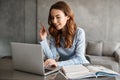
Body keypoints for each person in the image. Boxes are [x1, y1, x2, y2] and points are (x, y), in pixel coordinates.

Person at [39, 1, 89, 67]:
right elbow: (52, 57)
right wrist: (43, 39)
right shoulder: (54, 34)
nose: (54, 21)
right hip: (63, 67)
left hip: (78, 67)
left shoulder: (79, 32)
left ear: (67, 17)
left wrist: (58, 64)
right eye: (52, 17)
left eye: (58, 17)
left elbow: (80, 59)